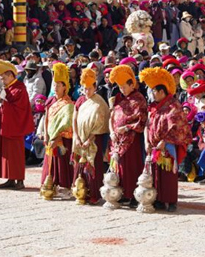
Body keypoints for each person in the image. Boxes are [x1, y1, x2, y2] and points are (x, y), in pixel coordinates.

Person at [139, 67, 192, 212]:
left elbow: (178, 126)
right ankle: (159, 200)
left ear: (162, 92)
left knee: (168, 175)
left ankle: (171, 201)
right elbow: (148, 125)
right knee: (155, 175)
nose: (153, 95)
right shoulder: (154, 107)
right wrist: (147, 141)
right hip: (154, 146)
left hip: (167, 147)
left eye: (154, 92)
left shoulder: (174, 106)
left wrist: (165, 141)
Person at [0, 59, 34, 190]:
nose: (2, 81)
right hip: (7, 125)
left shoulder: (20, 88)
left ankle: (19, 180)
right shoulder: (7, 88)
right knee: (7, 153)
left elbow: (19, 108)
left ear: (11, 76)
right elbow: (3, 105)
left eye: (4, 78)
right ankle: (10, 178)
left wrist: (2, 101)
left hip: (16, 126)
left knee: (16, 155)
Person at [108, 65, 148, 207]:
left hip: (132, 140)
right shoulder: (119, 99)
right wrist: (113, 131)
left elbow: (141, 120)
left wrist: (127, 127)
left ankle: (133, 195)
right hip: (117, 140)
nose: (122, 90)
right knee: (120, 168)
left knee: (131, 167)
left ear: (132, 84)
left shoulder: (139, 99)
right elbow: (112, 117)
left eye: (124, 86)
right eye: (119, 87)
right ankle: (122, 193)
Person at [72, 68, 110, 205]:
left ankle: (93, 194)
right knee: (79, 166)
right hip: (79, 139)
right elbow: (74, 119)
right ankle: (80, 191)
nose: (86, 91)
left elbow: (101, 123)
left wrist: (89, 139)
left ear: (95, 87)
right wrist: (76, 136)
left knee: (93, 166)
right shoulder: (80, 101)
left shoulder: (99, 102)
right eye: (84, 88)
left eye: (89, 88)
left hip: (93, 141)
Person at [39, 63, 75, 199]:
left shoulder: (68, 104)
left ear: (65, 87)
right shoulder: (51, 102)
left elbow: (67, 123)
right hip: (50, 138)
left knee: (61, 162)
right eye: (54, 85)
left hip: (61, 140)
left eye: (58, 85)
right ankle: (50, 185)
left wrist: (57, 136)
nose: (55, 88)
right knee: (50, 162)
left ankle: (65, 187)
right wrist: (45, 134)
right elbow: (46, 118)